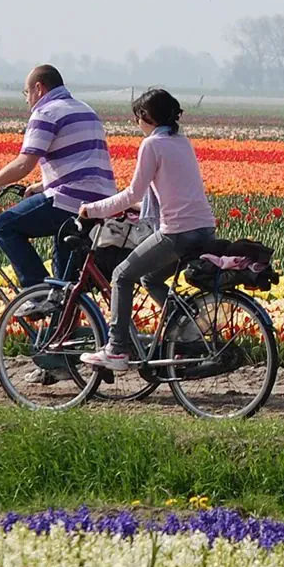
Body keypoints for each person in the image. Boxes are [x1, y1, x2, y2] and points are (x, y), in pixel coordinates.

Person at [78, 88, 217, 371]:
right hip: (204, 229)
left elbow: (132, 192)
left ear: (146, 116)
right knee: (150, 279)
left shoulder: (152, 144)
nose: (136, 123)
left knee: (121, 275)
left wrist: (91, 210)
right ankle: (186, 331)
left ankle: (116, 349)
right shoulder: (181, 142)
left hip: (177, 233)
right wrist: (138, 208)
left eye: (137, 117)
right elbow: (172, 194)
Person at [0, 65, 118, 317]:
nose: (27, 100)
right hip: (101, 202)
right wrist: (41, 186)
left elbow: (23, 164)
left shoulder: (46, 112)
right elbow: (81, 164)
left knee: (4, 226)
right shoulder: (85, 109)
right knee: (65, 285)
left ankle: (35, 293)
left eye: (26, 92)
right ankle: (64, 330)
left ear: (39, 88)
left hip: (70, 201)